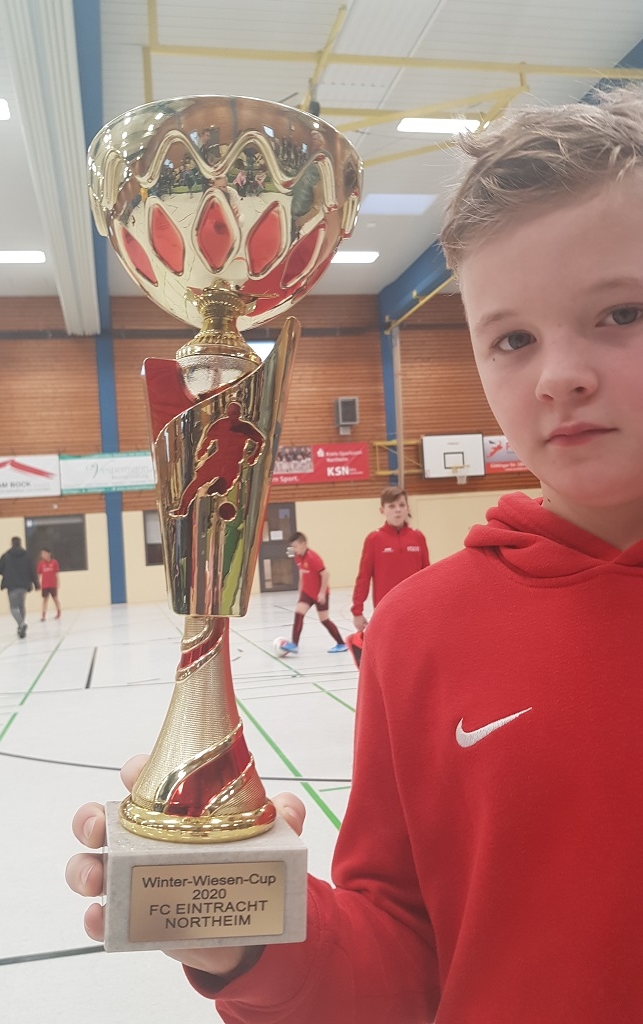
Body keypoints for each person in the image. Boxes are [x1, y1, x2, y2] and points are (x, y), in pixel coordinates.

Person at [66, 88, 643, 1022]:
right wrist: (253, 941)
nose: (560, 375)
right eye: (513, 338)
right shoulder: (421, 634)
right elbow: (403, 958)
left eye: (620, 313)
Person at [350, 485, 430, 632]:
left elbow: (427, 575)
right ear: (382, 510)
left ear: (407, 508)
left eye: (401, 505)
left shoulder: (418, 537)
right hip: (385, 610)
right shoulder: (374, 539)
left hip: (415, 608)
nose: (397, 510)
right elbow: (363, 577)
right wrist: (357, 611)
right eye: (392, 506)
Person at [278, 531, 348, 655]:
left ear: (303, 544)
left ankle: (341, 644)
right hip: (307, 593)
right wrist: (300, 591)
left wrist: (321, 593)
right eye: (292, 547)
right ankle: (294, 644)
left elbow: (325, 574)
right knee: (299, 613)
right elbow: (302, 573)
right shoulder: (298, 557)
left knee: (324, 620)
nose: (294, 549)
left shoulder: (313, 557)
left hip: (320, 594)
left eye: (295, 546)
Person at [0, 536, 39, 638]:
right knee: (21, 606)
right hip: (24, 585)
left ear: (12, 543)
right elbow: (32, 570)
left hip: (12, 585)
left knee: (13, 607)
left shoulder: (6, 556)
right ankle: (21, 627)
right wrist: (36, 584)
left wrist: (7, 572)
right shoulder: (27, 555)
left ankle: (21, 624)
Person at [36, 548, 61, 621]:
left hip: (53, 584)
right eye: (42, 554)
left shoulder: (54, 562)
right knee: (45, 600)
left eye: (44, 553)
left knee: (55, 598)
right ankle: (43, 616)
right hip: (44, 585)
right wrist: (37, 583)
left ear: (48, 553)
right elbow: (39, 574)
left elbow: (56, 573)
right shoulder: (41, 563)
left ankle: (58, 613)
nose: (42, 555)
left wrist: (58, 582)